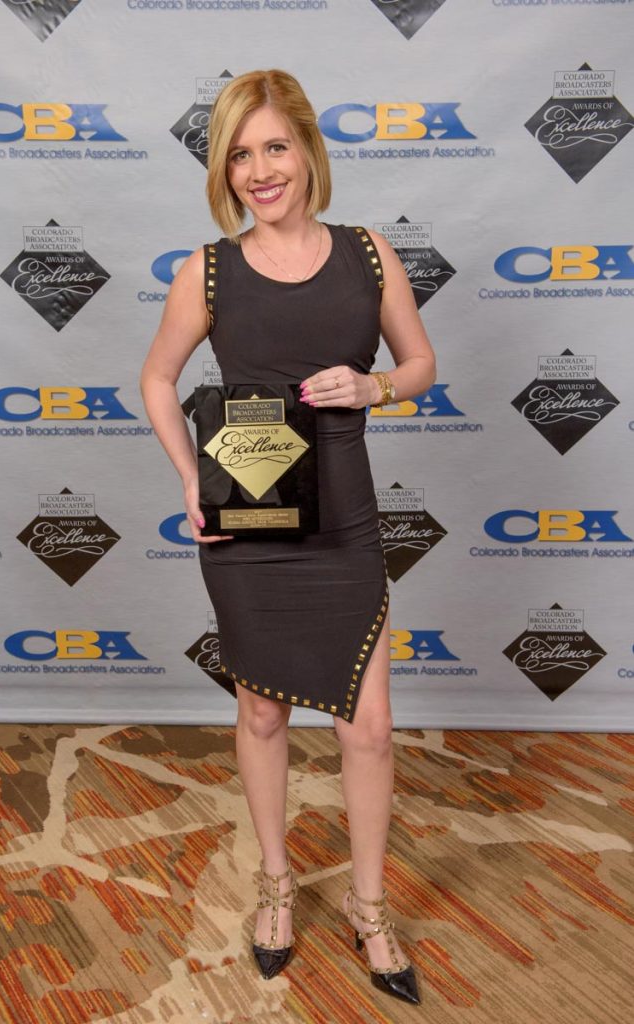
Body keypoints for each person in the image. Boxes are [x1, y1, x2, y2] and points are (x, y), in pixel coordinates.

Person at [140, 69, 435, 1005]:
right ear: (223, 172)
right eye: (239, 155)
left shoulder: (369, 253)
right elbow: (155, 379)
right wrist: (189, 477)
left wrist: (374, 385)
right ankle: (275, 884)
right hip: (249, 519)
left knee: (369, 726)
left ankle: (368, 904)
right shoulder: (208, 271)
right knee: (263, 713)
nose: (260, 170)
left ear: (307, 149)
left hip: (345, 514)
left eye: (275, 147)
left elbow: (421, 363)